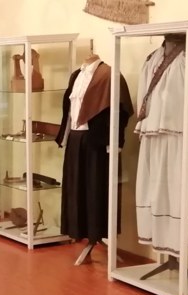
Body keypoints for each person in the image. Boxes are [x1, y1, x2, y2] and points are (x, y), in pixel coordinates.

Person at [135, 34, 188, 258]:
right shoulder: (152, 58)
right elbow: (144, 95)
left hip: (183, 136)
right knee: (155, 191)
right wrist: (144, 125)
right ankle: (164, 245)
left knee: (181, 190)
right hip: (154, 134)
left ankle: (179, 249)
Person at [55, 55, 134, 263]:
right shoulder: (76, 75)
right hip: (75, 140)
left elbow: (121, 111)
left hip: (98, 143)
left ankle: (97, 234)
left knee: (97, 190)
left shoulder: (110, 75)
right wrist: (65, 137)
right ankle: (83, 234)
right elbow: (69, 112)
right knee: (76, 189)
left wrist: (114, 142)